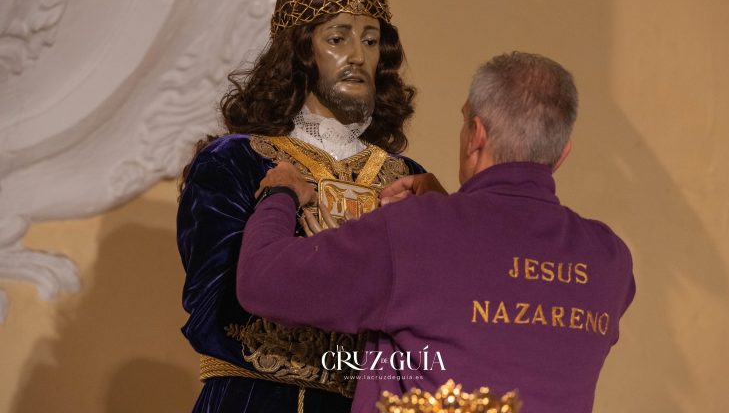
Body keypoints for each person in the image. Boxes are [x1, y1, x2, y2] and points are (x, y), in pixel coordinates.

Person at [235, 51, 636, 413]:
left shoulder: (412, 233)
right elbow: (501, 292)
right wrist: (443, 203)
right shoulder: (610, 260)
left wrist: (281, 192)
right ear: (562, 153)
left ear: (476, 135)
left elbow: (262, 281)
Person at [177, 0, 425, 413]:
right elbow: (216, 305)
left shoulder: (408, 179)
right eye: (338, 38)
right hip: (253, 397)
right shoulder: (237, 161)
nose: (356, 55)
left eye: (370, 40)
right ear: (300, 52)